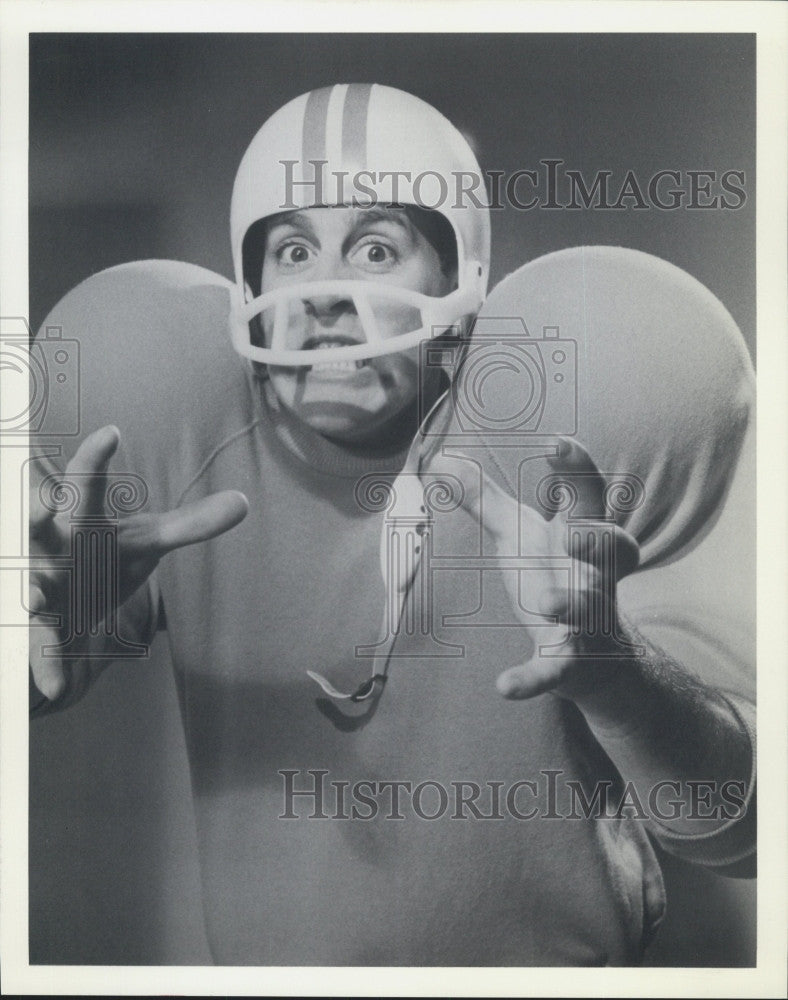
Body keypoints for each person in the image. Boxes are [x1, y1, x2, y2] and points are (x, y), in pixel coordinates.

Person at [29, 83, 755, 966]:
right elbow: (30, 673)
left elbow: (745, 836)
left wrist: (618, 673)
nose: (326, 294)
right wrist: (23, 654)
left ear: (460, 282)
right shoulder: (184, 463)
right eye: (293, 250)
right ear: (248, 280)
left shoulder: (582, 452)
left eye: (375, 247)